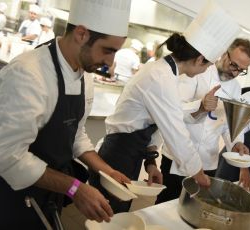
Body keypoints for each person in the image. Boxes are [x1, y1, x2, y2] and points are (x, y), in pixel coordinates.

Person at [0, 0, 132, 228]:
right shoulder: (28, 74)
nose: (110, 62)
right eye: (108, 50)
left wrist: (107, 171)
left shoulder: (85, 76)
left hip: (48, 195)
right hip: (9, 200)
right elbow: (9, 158)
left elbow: (75, 135)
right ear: (81, 34)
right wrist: (75, 188)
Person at [89, 1, 241, 213]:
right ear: (199, 59)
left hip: (131, 152)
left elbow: (154, 123)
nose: (207, 70)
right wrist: (198, 173)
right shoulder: (160, 78)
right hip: (118, 154)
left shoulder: (166, 73)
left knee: (117, 212)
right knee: (106, 214)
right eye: (208, 65)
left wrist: (150, 161)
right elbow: (175, 132)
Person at [156, 38, 250, 203]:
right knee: (167, 203)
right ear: (224, 54)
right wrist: (201, 106)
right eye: (233, 65)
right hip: (179, 155)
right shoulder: (196, 71)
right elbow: (174, 112)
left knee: (195, 205)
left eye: (241, 70)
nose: (235, 73)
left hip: (208, 160)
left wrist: (236, 143)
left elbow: (228, 124)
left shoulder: (235, 88)